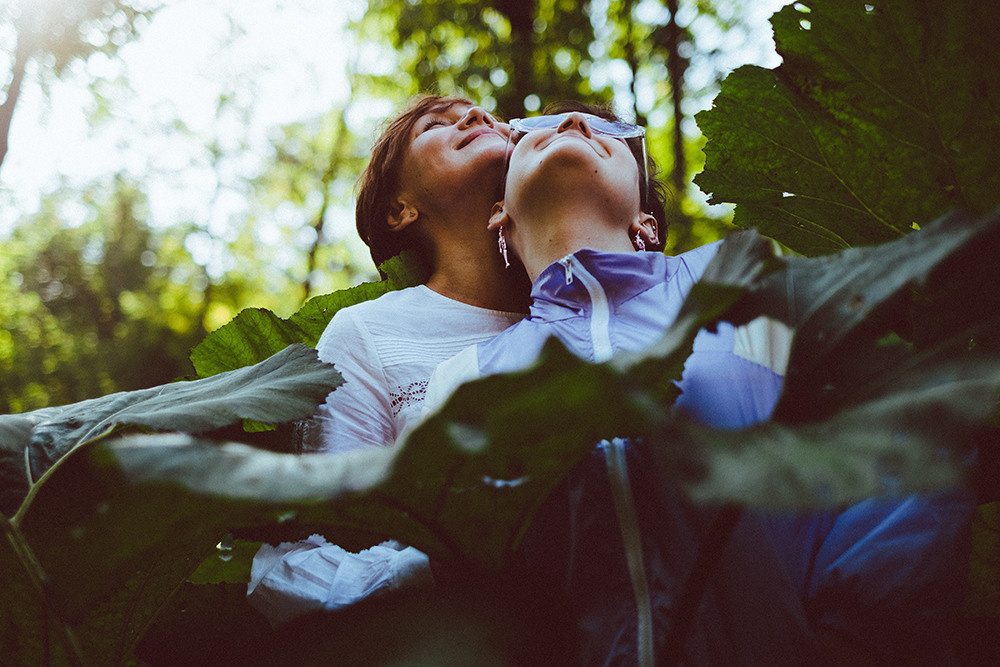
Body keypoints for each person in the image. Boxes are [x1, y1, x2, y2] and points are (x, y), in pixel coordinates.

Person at [421, 104, 977, 664]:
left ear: (646, 224)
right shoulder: (462, 381)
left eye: (609, 132)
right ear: (499, 215)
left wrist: (852, 637)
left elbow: (907, 435)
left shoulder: (749, 286)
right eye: (540, 127)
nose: (573, 126)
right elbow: (461, 587)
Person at [247, 95, 531, 625]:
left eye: (488, 116)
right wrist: (445, 559)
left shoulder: (587, 309)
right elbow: (308, 563)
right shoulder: (367, 334)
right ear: (400, 209)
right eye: (437, 125)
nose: (477, 118)